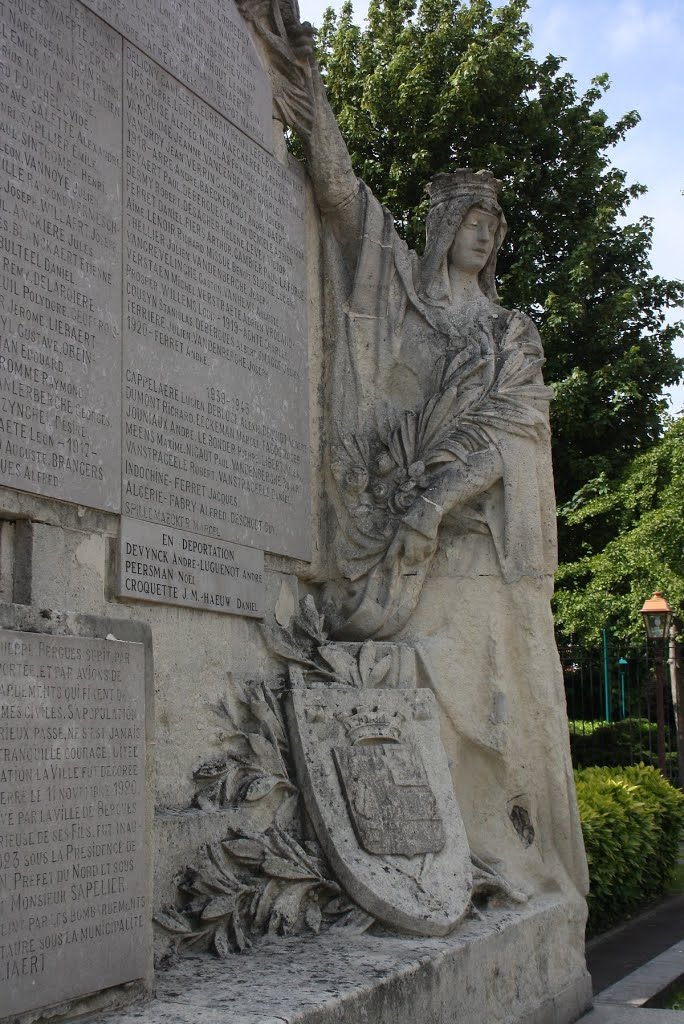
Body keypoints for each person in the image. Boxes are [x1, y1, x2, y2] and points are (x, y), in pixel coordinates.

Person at [245, 1, 589, 903]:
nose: (487, 230)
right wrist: (304, 87)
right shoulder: (398, 290)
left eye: (495, 223)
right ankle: (445, 864)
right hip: (394, 556)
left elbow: (515, 436)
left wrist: (435, 502)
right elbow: (343, 199)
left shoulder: (512, 333)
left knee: (497, 719)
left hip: (469, 555)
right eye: (473, 217)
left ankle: (506, 861)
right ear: (444, 228)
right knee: (422, 701)